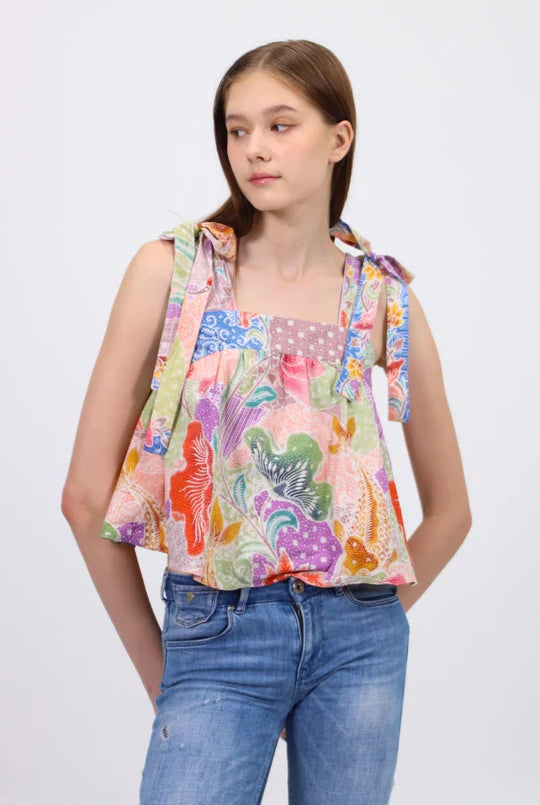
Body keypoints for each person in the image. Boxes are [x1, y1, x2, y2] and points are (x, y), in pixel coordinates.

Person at [61, 39, 472, 805]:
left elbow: (452, 511)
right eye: (237, 129)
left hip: (361, 646)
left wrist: (362, 629)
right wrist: (166, 674)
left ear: (339, 139)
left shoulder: (383, 300)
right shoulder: (176, 272)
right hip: (215, 633)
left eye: (281, 125)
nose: (254, 148)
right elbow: (85, 499)